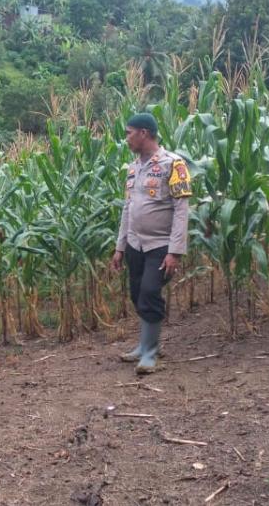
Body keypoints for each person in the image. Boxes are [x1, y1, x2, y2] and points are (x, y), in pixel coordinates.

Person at [110, 113, 193, 375]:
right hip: (135, 243)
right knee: (137, 294)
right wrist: (120, 246)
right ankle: (144, 345)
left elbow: (181, 210)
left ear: (143, 133)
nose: (126, 138)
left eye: (128, 132)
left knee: (149, 292)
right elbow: (128, 207)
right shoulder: (134, 167)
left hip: (160, 244)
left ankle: (150, 352)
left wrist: (175, 251)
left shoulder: (174, 164)